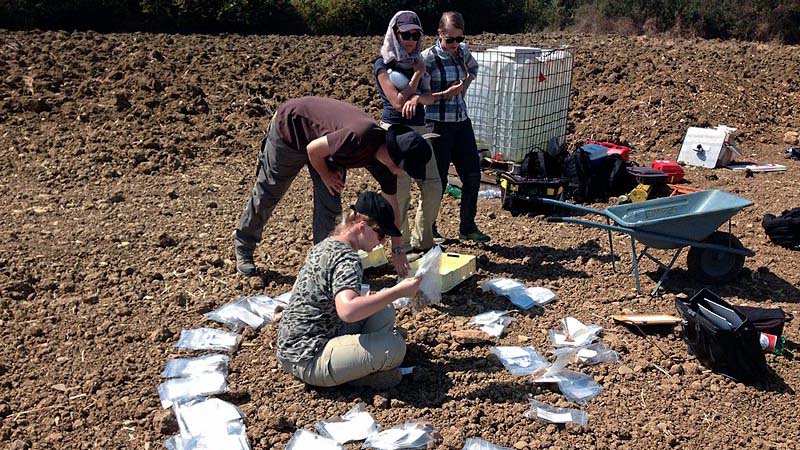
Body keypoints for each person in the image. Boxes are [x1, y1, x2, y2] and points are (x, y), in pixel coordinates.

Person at [233, 96, 431, 278]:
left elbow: (392, 205)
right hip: (292, 129)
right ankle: (244, 245)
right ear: (395, 157)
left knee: (330, 203)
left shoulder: (386, 167)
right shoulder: (360, 135)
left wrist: (397, 250)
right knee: (270, 191)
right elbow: (313, 149)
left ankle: (323, 263)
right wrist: (326, 175)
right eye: (404, 168)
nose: (402, 173)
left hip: (326, 149)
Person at [276, 191, 421, 388]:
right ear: (362, 227)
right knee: (394, 348)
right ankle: (360, 376)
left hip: (294, 346)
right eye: (381, 235)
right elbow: (349, 311)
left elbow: (296, 291)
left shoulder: (326, 244)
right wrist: (397, 291)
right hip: (310, 357)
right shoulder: (348, 259)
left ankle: (358, 363)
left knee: (383, 309)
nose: (383, 242)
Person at [374, 10, 443, 253]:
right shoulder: (383, 64)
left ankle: (424, 241)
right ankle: (398, 245)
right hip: (395, 130)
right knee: (400, 189)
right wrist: (416, 78)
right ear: (395, 34)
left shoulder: (419, 61)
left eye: (416, 34)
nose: (412, 40)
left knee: (433, 185)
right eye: (406, 35)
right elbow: (396, 102)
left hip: (420, 129)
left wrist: (417, 96)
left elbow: (429, 98)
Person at [422, 11, 490, 243]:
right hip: (437, 124)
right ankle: (428, 229)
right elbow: (420, 96)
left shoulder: (463, 52)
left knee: (472, 175)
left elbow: (474, 69)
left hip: (461, 121)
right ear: (440, 34)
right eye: (449, 39)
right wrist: (445, 94)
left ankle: (467, 226)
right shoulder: (427, 59)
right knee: (437, 181)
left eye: (459, 39)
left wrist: (465, 87)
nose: (455, 44)